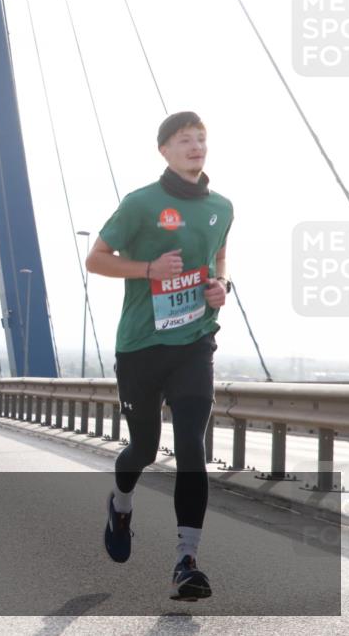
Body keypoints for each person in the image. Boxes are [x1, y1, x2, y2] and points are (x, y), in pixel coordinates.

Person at [85, 111, 233, 601]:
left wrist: (221, 287)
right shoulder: (141, 203)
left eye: (201, 139)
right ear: (164, 151)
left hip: (195, 343)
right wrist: (148, 267)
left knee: (192, 445)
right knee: (144, 449)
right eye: (185, 140)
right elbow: (96, 259)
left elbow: (218, 259)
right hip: (141, 347)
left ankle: (186, 562)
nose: (196, 147)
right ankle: (121, 505)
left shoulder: (222, 207)